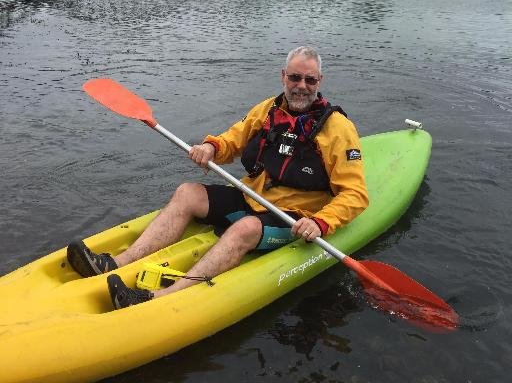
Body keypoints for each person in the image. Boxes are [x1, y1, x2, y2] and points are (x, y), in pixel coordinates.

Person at [67, 46, 369, 309]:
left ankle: (163, 296)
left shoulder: (338, 129)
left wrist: (319, 222)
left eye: (309, 79)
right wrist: (210, 147)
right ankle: (115, 262)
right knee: (188, 192)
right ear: (283, 76)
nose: (301, 86)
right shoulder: (268, 110)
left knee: (245, 227)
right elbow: (233, 140)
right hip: (256, 196)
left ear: (320, 82)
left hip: (295, 216)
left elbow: (355, 194)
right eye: (294, 77)